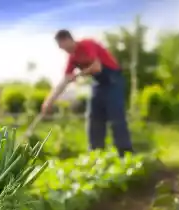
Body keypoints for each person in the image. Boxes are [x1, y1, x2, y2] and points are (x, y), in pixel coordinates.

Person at [41, 29, 133, 157]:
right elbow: (64, 80)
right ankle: (95, 156)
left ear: (68, 39)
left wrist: (77, 75)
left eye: (62, 46)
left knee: (116, 118)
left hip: (113, 81)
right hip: (98, 84)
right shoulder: (72, 58)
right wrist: (48, 101)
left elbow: (97, 67)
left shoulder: (87, 44)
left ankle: (126, 155)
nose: (63, 49)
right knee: (93, 118)